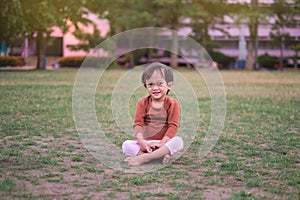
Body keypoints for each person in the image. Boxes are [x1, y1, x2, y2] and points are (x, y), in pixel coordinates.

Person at [122, 62, 183, 166]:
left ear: (169, 85)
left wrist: (161, 143)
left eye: (160, 84)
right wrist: (141, 142)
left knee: (178, 141)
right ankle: (158, 156)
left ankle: (145, 157)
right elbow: (138, 124)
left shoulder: (173, 104)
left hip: (164, 142)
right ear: (145, 85)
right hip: (146, 142)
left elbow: (173, 126)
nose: (155, 88)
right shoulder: (142, 103)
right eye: (150, 84)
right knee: (126, 145)